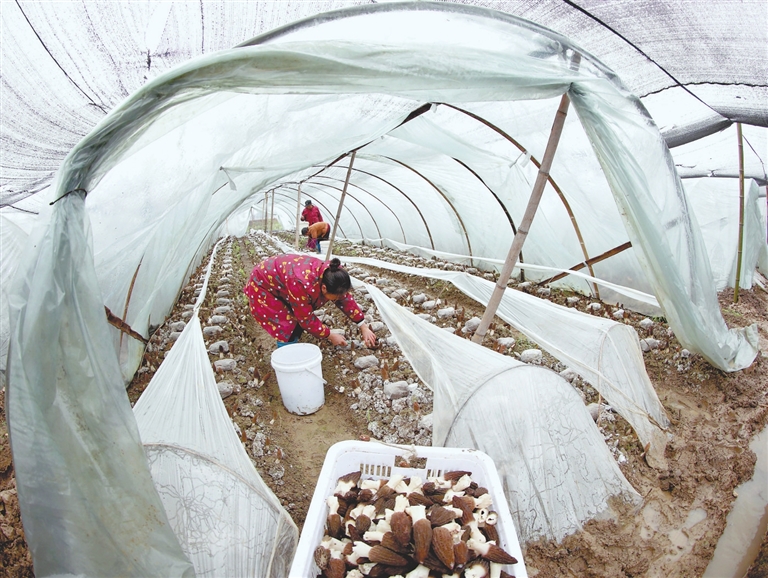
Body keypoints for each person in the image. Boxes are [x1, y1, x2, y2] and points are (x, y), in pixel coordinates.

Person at [243, 254, 377, 348]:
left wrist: (363, 326)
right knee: (285, 325)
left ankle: (294, 343)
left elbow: (344, 298)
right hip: (263, 285)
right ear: (323, 288)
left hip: (282, 280)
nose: (338, 299)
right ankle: (287, 353)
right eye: (335, 297)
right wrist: (329, 335)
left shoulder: (333, 275)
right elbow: (305, 318)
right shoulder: (301, 283)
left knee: (296, 319)